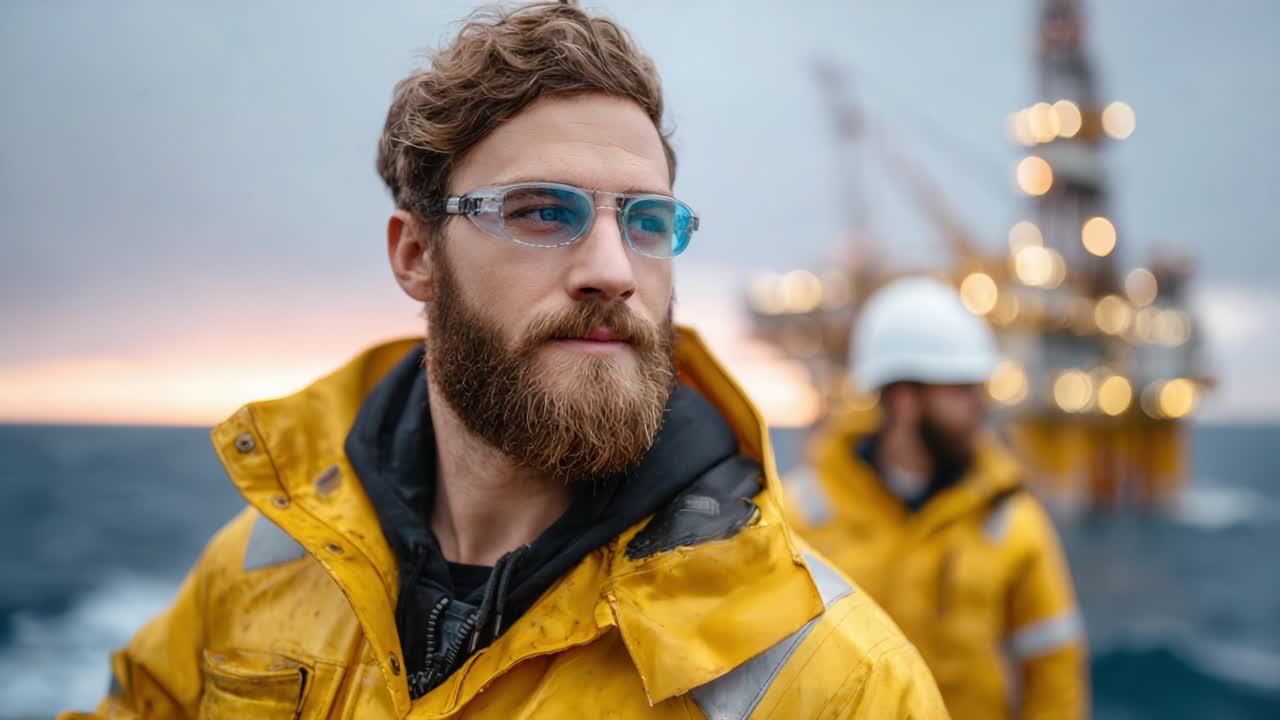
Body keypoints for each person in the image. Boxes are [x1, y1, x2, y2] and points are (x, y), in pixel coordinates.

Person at [60, 4, 947, 718]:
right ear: (416, 256)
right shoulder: (257, 571)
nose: (611, 270)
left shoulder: (834, 682)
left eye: (645, 221)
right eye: (540, 211)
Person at [784, 276, 1088, 720]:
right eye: (961, 390)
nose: (981, 406)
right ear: (905, 400)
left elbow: (1053, 675)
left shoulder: (1012, 522)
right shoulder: (801, 515)